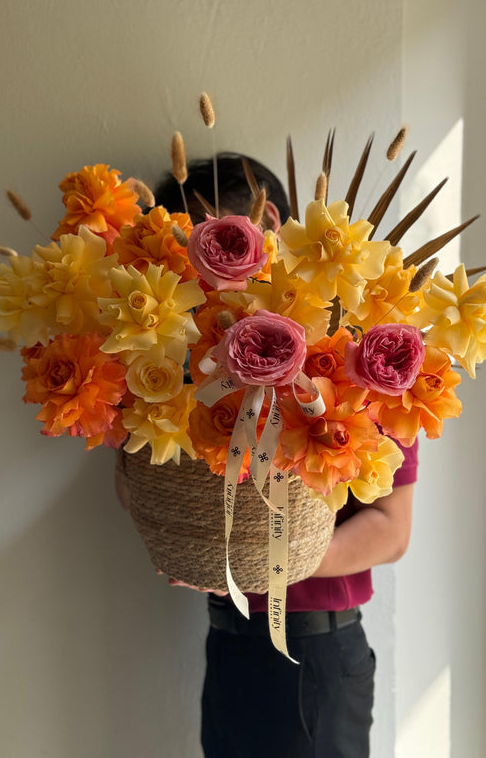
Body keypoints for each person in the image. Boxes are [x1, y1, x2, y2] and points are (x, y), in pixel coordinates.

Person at [154, 153, 418, 758]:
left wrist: (253, 562)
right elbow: (141, 481)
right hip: (227, 642)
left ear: (262, 221)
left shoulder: (364, 353)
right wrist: (176, 527)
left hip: (312, 656)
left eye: (203, 240)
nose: (191, 265)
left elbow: (391, 530)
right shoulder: (188, 356)